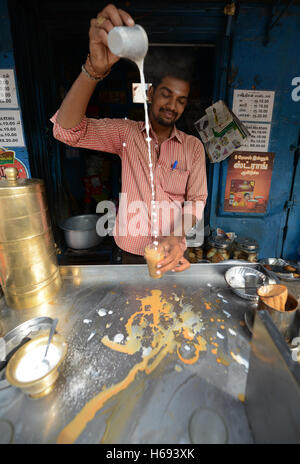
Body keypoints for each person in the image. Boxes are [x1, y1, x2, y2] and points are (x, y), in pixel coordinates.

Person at [51, 4, 207, 276]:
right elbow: (67, 131)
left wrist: (175, 238)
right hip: (130, 254)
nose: (172, 105)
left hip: (172, 253)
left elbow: (196, 200)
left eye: (181, 100)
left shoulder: (193, 147)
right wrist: (93, 70)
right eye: (166, 94)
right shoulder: (126, 134)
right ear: (150, 93)